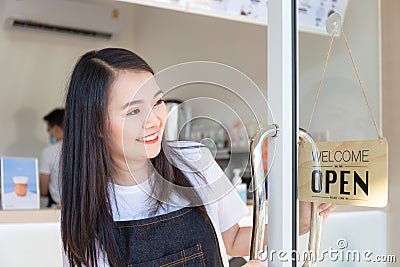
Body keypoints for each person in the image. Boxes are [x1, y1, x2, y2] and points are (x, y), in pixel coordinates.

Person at [61, 48, 335, 267]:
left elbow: (234, 239)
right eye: (133, 111)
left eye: (157, 102)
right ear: (96, 124)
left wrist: (300, 222)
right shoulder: (88, 215)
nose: (154, 120)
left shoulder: (195, 162)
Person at [39, 108, 64, 207]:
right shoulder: (86, 150)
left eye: (49, 131)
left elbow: (43, 190)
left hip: (58, 209)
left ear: (57, 128)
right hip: (85, 212)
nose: (50, 135)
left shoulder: (48, 152)